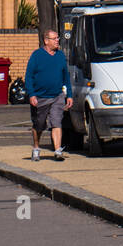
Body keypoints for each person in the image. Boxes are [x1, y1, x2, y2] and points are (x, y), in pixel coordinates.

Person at [25, 28, 73, 161]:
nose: (57, 41)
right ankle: (36, 147)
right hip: (40, 97)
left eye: (58, 38)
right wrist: (31, 94)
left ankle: (57, 151)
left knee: (56, 122)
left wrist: (69, 95)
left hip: (57, 96)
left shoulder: (60, 55)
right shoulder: (36, 55)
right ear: (46, 41)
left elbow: (66, 76)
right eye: (54, 38)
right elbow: (28, 76)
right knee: (39, 125)